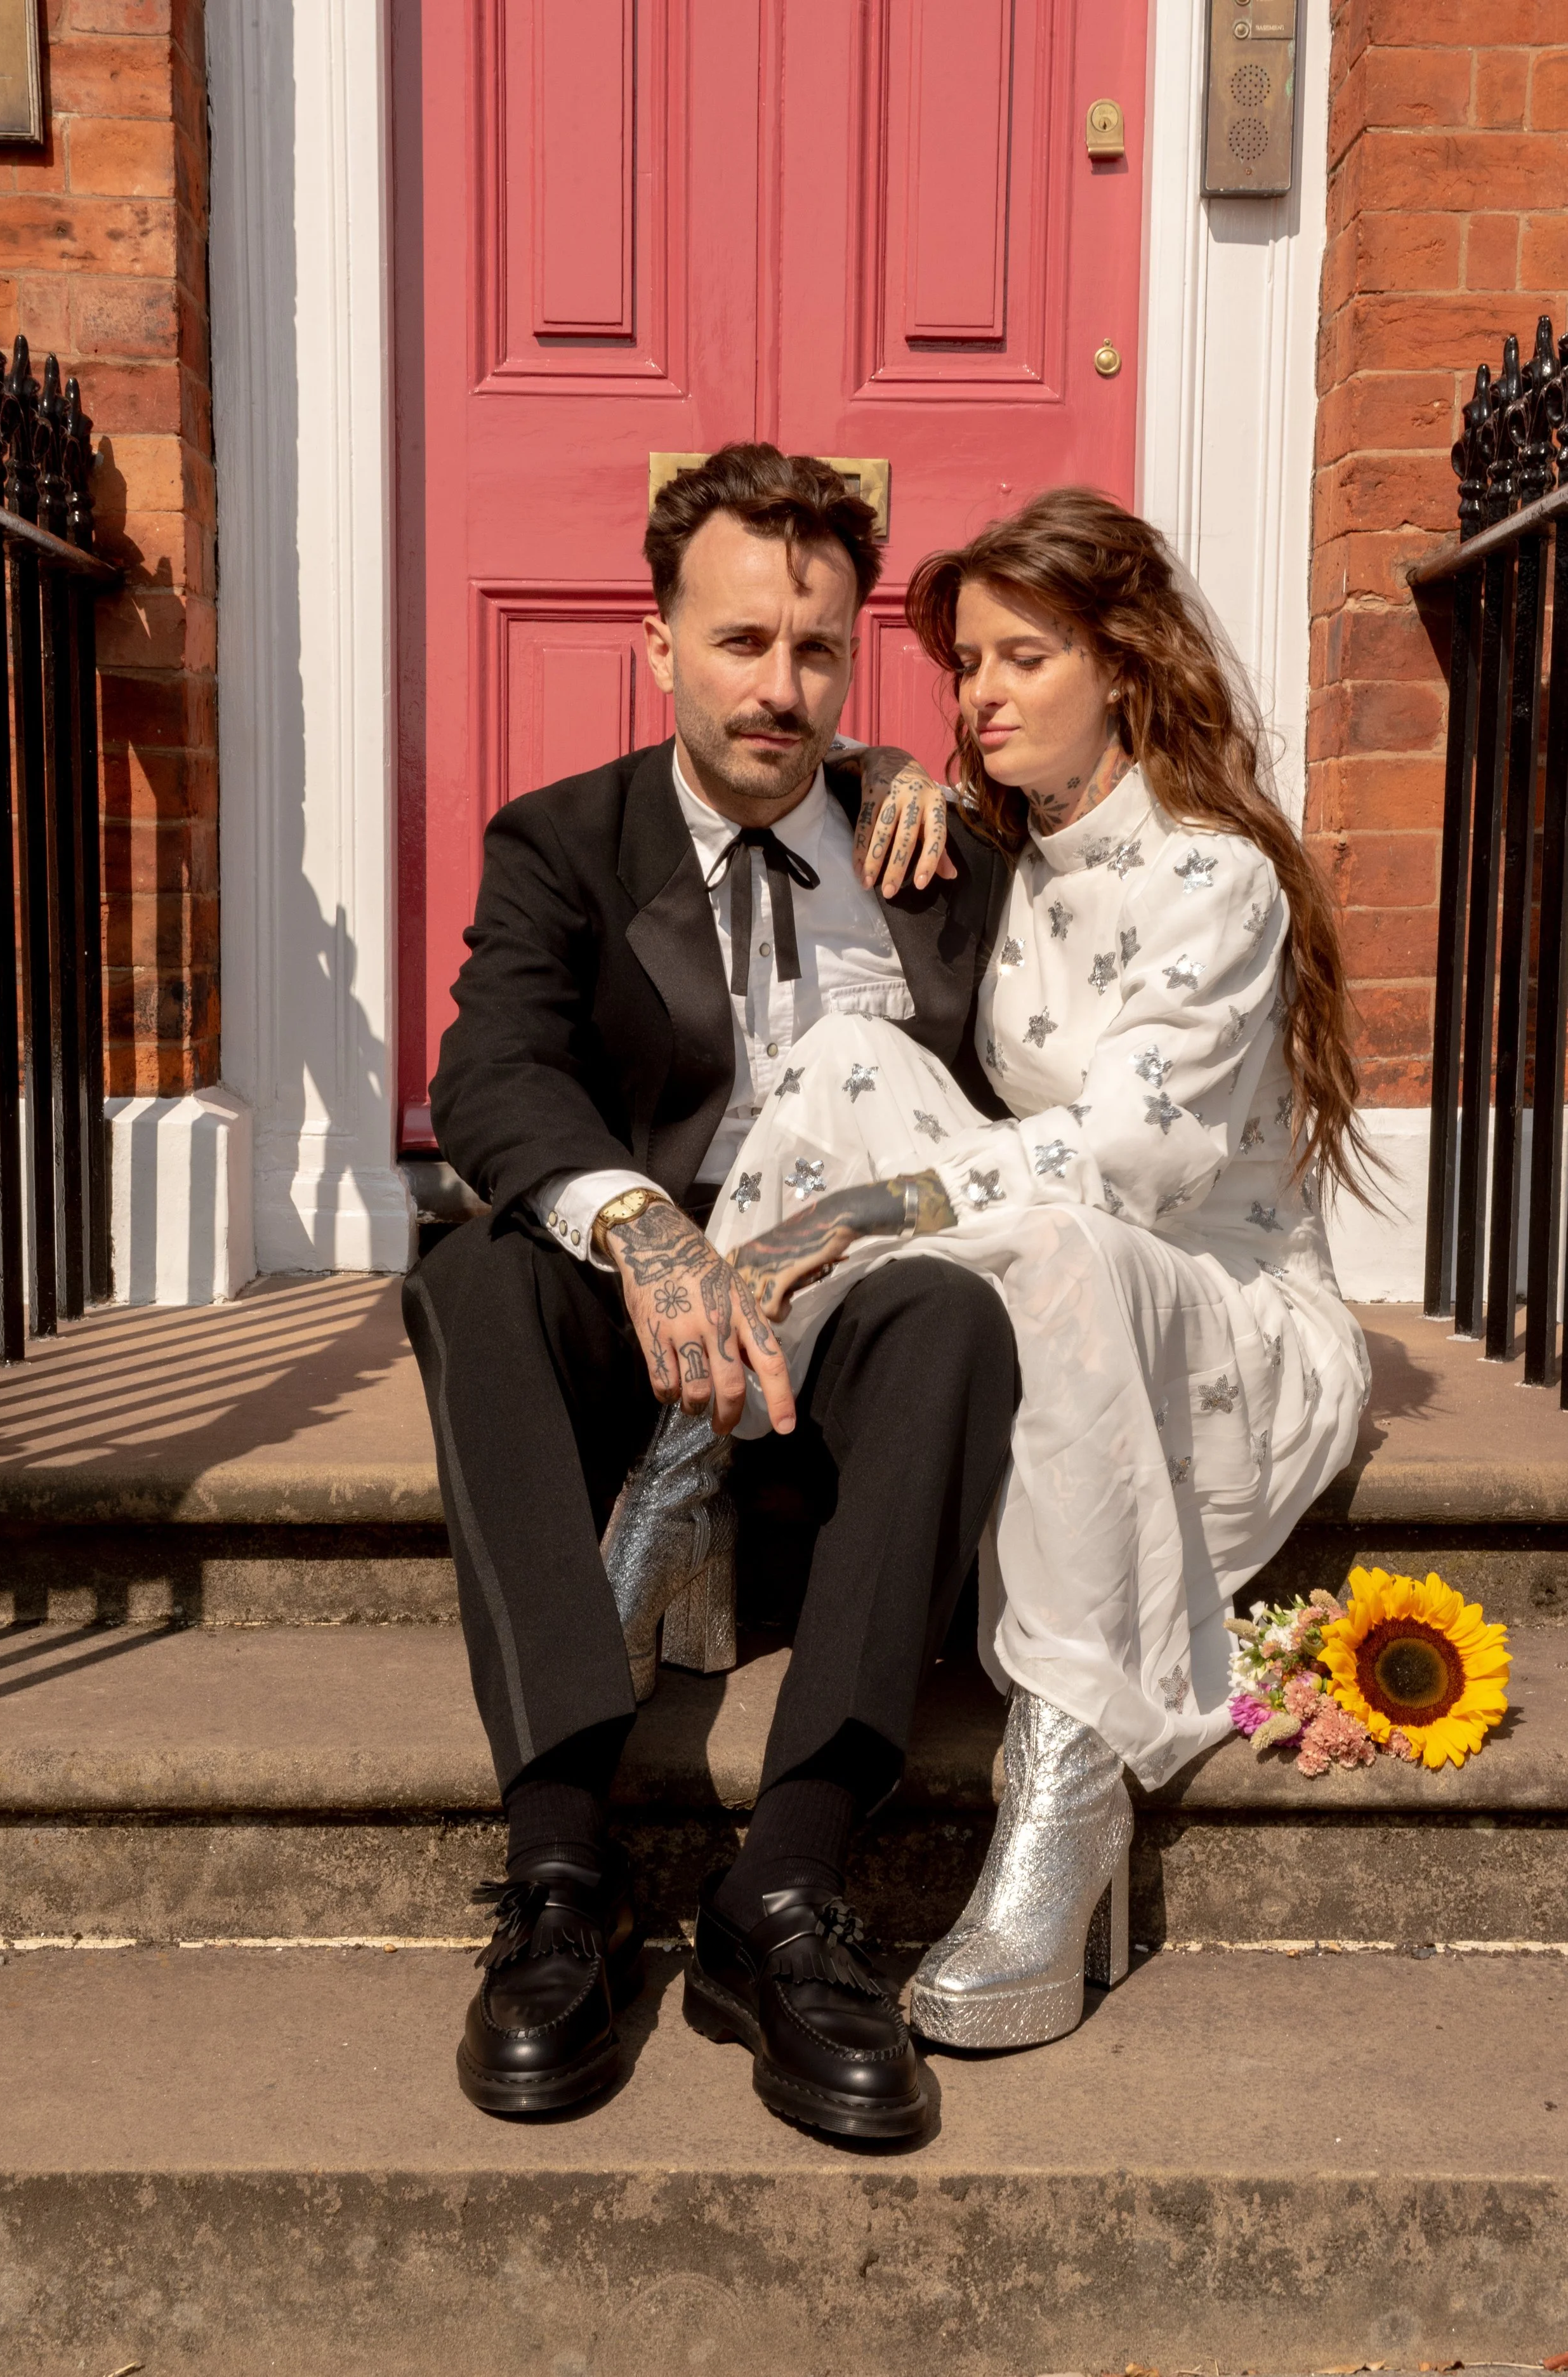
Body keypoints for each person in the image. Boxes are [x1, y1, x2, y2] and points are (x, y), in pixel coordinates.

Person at [682, 486, 1373, 2052]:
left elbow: (1135, 1153)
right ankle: (691, 1459)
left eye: (1020, 659)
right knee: (849, 1045)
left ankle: (1061, 1810)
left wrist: (859, 1220)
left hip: (1223, 1325)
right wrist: (879, 770)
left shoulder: (1216, 876)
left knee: (1061, 1238)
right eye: (964, 667)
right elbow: (803, 784)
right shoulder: (1008, 846)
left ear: (1120, 667)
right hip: (1069, 1278)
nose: (980, 695)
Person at [404, 444, 1021, 2143]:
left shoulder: (931, 858)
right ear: (659, 643)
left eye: (819, 651)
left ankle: (787, 1890)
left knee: (957, 1316)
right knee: (470, 1274)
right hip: (638, 1330)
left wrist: (920, 771)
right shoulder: (564, 843)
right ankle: (557, 1874)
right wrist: (640, 1235)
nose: (782, 688)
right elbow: (493, 1076)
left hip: (850, 1315)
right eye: (742, 643)